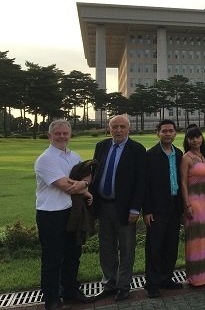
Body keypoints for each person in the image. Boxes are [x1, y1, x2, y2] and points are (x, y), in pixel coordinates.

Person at [35, 120, 95, 310]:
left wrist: (84, 184)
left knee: (72, 254)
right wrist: (84, 188)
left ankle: (70, 292)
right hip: (51, 214)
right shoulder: (45, 159)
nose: (62, 136)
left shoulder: (74, 156)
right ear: (49, 136)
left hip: (71, 212)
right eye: (57, 133)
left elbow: (88, 173)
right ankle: (52, 299)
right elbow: (65, 185)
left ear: (70, 135)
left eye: (65, 133)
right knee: (53, 258)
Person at [91, 115, 146, 302]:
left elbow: (141, 182)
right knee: (106, 247)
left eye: (122, 127)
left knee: (127, 247)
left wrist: (135, 209)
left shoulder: (137, 149)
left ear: (129, 129)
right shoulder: (102, 146)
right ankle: (109, 283)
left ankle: (123, 285)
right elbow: (95, 173)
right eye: (115, 127)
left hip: (124, 208)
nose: (118, 130)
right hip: (103, 206)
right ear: (109, 128)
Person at [143, 119, 184, 298]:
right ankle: (152, 283)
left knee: (171, 245)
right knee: (154, 247)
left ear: (175, 133)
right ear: (158, 133)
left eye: (170, 131)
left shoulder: (180, 154)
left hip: (175, 207)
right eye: (164, 131)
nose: (167, 134)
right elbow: (145, 185)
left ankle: (166, 278)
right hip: (157, 208)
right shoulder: (150, 155)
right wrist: (147, 210)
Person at [180, 124, 205, 286]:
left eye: (197, 136)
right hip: (194, 202)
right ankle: (196, 276)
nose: (195, 140)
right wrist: (186, 205)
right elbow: (183, 183)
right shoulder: (186, 158)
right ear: (187, 140)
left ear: (202, 138)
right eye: (191, 137)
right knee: (196, 239)